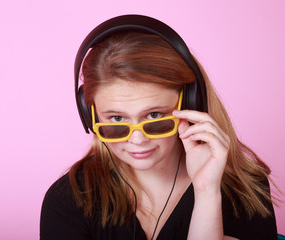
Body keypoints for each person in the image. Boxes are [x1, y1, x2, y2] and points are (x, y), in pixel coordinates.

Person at [40, 15, 278, 240]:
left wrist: (206, 192)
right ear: (89, 116)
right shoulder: (67, 199)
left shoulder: (247, 191)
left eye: (154, 115)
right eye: (116, 119)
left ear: (190, 104)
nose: (137, 139)